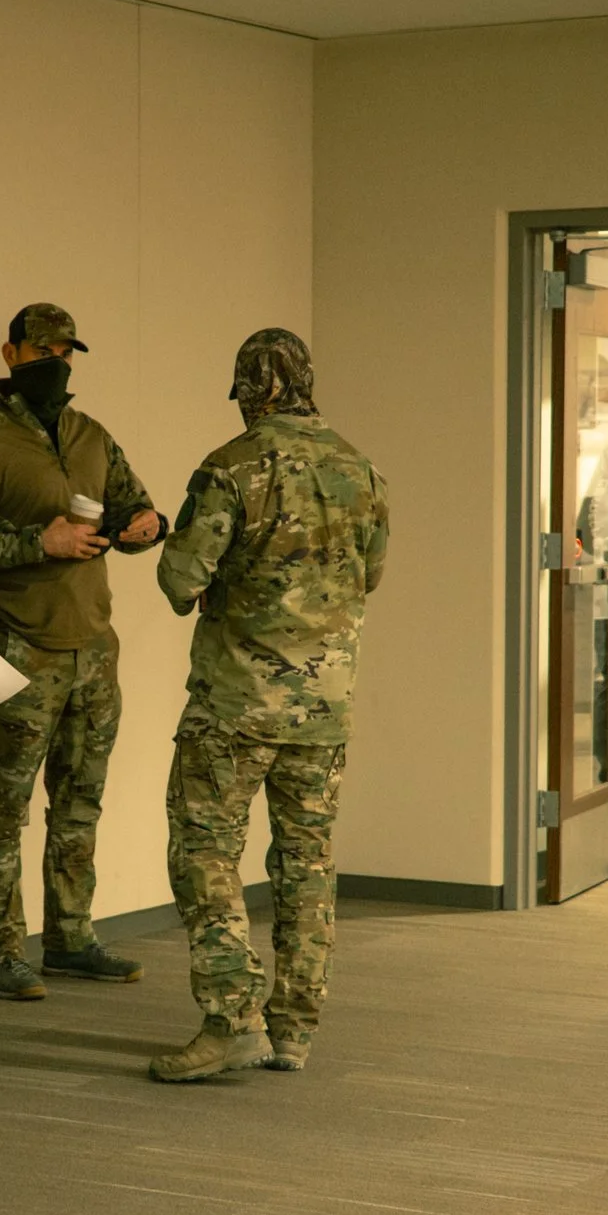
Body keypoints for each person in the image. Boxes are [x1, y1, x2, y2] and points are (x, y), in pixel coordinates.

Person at [149, 329, 388, 1082]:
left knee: (205, 850)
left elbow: (180, 581)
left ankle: (232, 1019)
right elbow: (370, 574)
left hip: (235, 706)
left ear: (259, 389)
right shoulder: (361, 469)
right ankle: (294, 1027)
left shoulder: (231, 468)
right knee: (306, 860)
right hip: (324, 710)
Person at [0, 303, 164, 1001]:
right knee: (4, 811)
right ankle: (2, 952)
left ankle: (71, 938)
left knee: (80, 803)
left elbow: (134, 506)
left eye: (64, 352)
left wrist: (146, 526)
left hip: (94, 650)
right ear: (11, 355)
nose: (54, 363)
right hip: (18, 650)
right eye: (42, 351)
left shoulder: (91, 435)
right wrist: (41, 541)